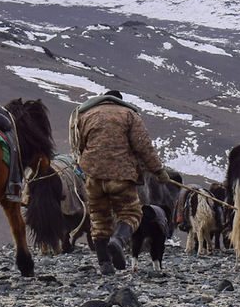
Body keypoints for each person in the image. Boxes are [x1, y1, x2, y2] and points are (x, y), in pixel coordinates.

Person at [69, 90, 169, 275]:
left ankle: (105, 264)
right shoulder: (130, 115)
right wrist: (159, 171)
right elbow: (143, 146)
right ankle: (118, 241)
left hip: (94, 176)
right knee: (131, 213)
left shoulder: (86, 115)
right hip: (121, 176)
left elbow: (79, 146)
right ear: (120, 101)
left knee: (99, 218)